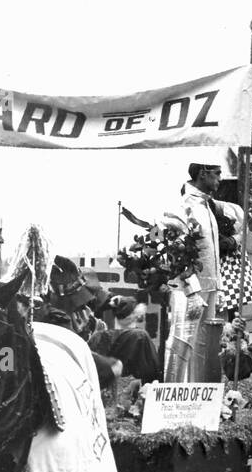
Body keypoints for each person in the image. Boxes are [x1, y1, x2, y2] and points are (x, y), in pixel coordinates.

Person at [165, 162, 225, 382]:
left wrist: (217, 287)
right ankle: (173, 394)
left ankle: (197, 399)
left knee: (203, 348)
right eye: (217, 174)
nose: (220, 178)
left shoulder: (208, 207)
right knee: (182, 342)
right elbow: (175, 253)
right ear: (203, 173)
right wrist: (191, 290)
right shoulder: (181, 205)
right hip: (189, 290)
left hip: (210, 287)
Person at [89, 296, 161, 383]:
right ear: (135, 315)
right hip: (131, 389)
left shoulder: (98, 336)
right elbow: (152, 371)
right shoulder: (140, 336)